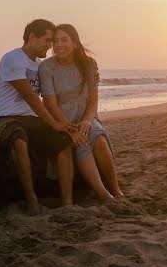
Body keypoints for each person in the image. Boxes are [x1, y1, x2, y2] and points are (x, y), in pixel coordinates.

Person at [0, 18, 88, 214]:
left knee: (63, 143)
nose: (50, 45)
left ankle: (67, 202)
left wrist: (90, 75)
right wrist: (55, 122)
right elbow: (30, 97)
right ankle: (32, 200)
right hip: (8, 118)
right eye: (47, 40)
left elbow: (54, 90)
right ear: (32, 38)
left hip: (33, 120)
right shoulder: (12, 59)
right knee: (19, 141)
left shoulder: (40, 66)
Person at [39, 23, 123, 202]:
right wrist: (70, 128)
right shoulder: (47, 68)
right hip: (62, 118)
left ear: (75, 43)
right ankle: (103, 194)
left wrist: (86, 120)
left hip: (87, 114)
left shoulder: (89, 64)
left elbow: (93, 99)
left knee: (97, 136)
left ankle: (116, 190)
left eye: (64, 40)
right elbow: (50, 104)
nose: (59, 45)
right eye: (55, 41)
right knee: (81, 142)